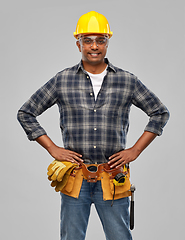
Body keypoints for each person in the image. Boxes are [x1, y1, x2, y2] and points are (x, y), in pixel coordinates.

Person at [17, 11, 169, 240]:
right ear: (78, 43)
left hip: (113, 177)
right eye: (87, 40)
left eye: (100, 40)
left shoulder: (127, 80)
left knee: (119, 237)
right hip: (74, 178)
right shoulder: (62, 80)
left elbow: (160, 112)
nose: (94, 46)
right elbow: (26, 112)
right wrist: (52, 148)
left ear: (108, 42)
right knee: (71, 237)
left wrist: (135, 150)